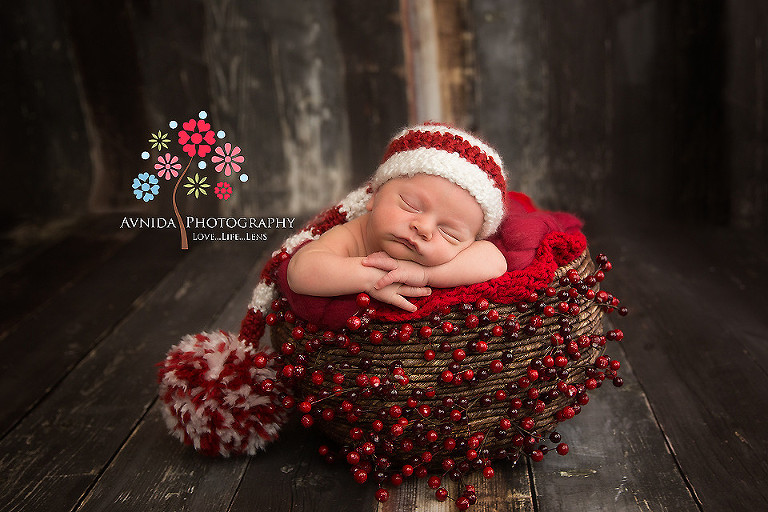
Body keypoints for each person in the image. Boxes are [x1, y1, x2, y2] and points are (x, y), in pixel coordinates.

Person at [287, 123, 509, 312]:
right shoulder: (355, 234)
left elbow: (495, 262)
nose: (423, 228)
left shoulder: (465, 253)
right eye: (410, 206)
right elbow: (300, 271)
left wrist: (424, 274)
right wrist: (371, 277)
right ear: (375, 196)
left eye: (449, 233)